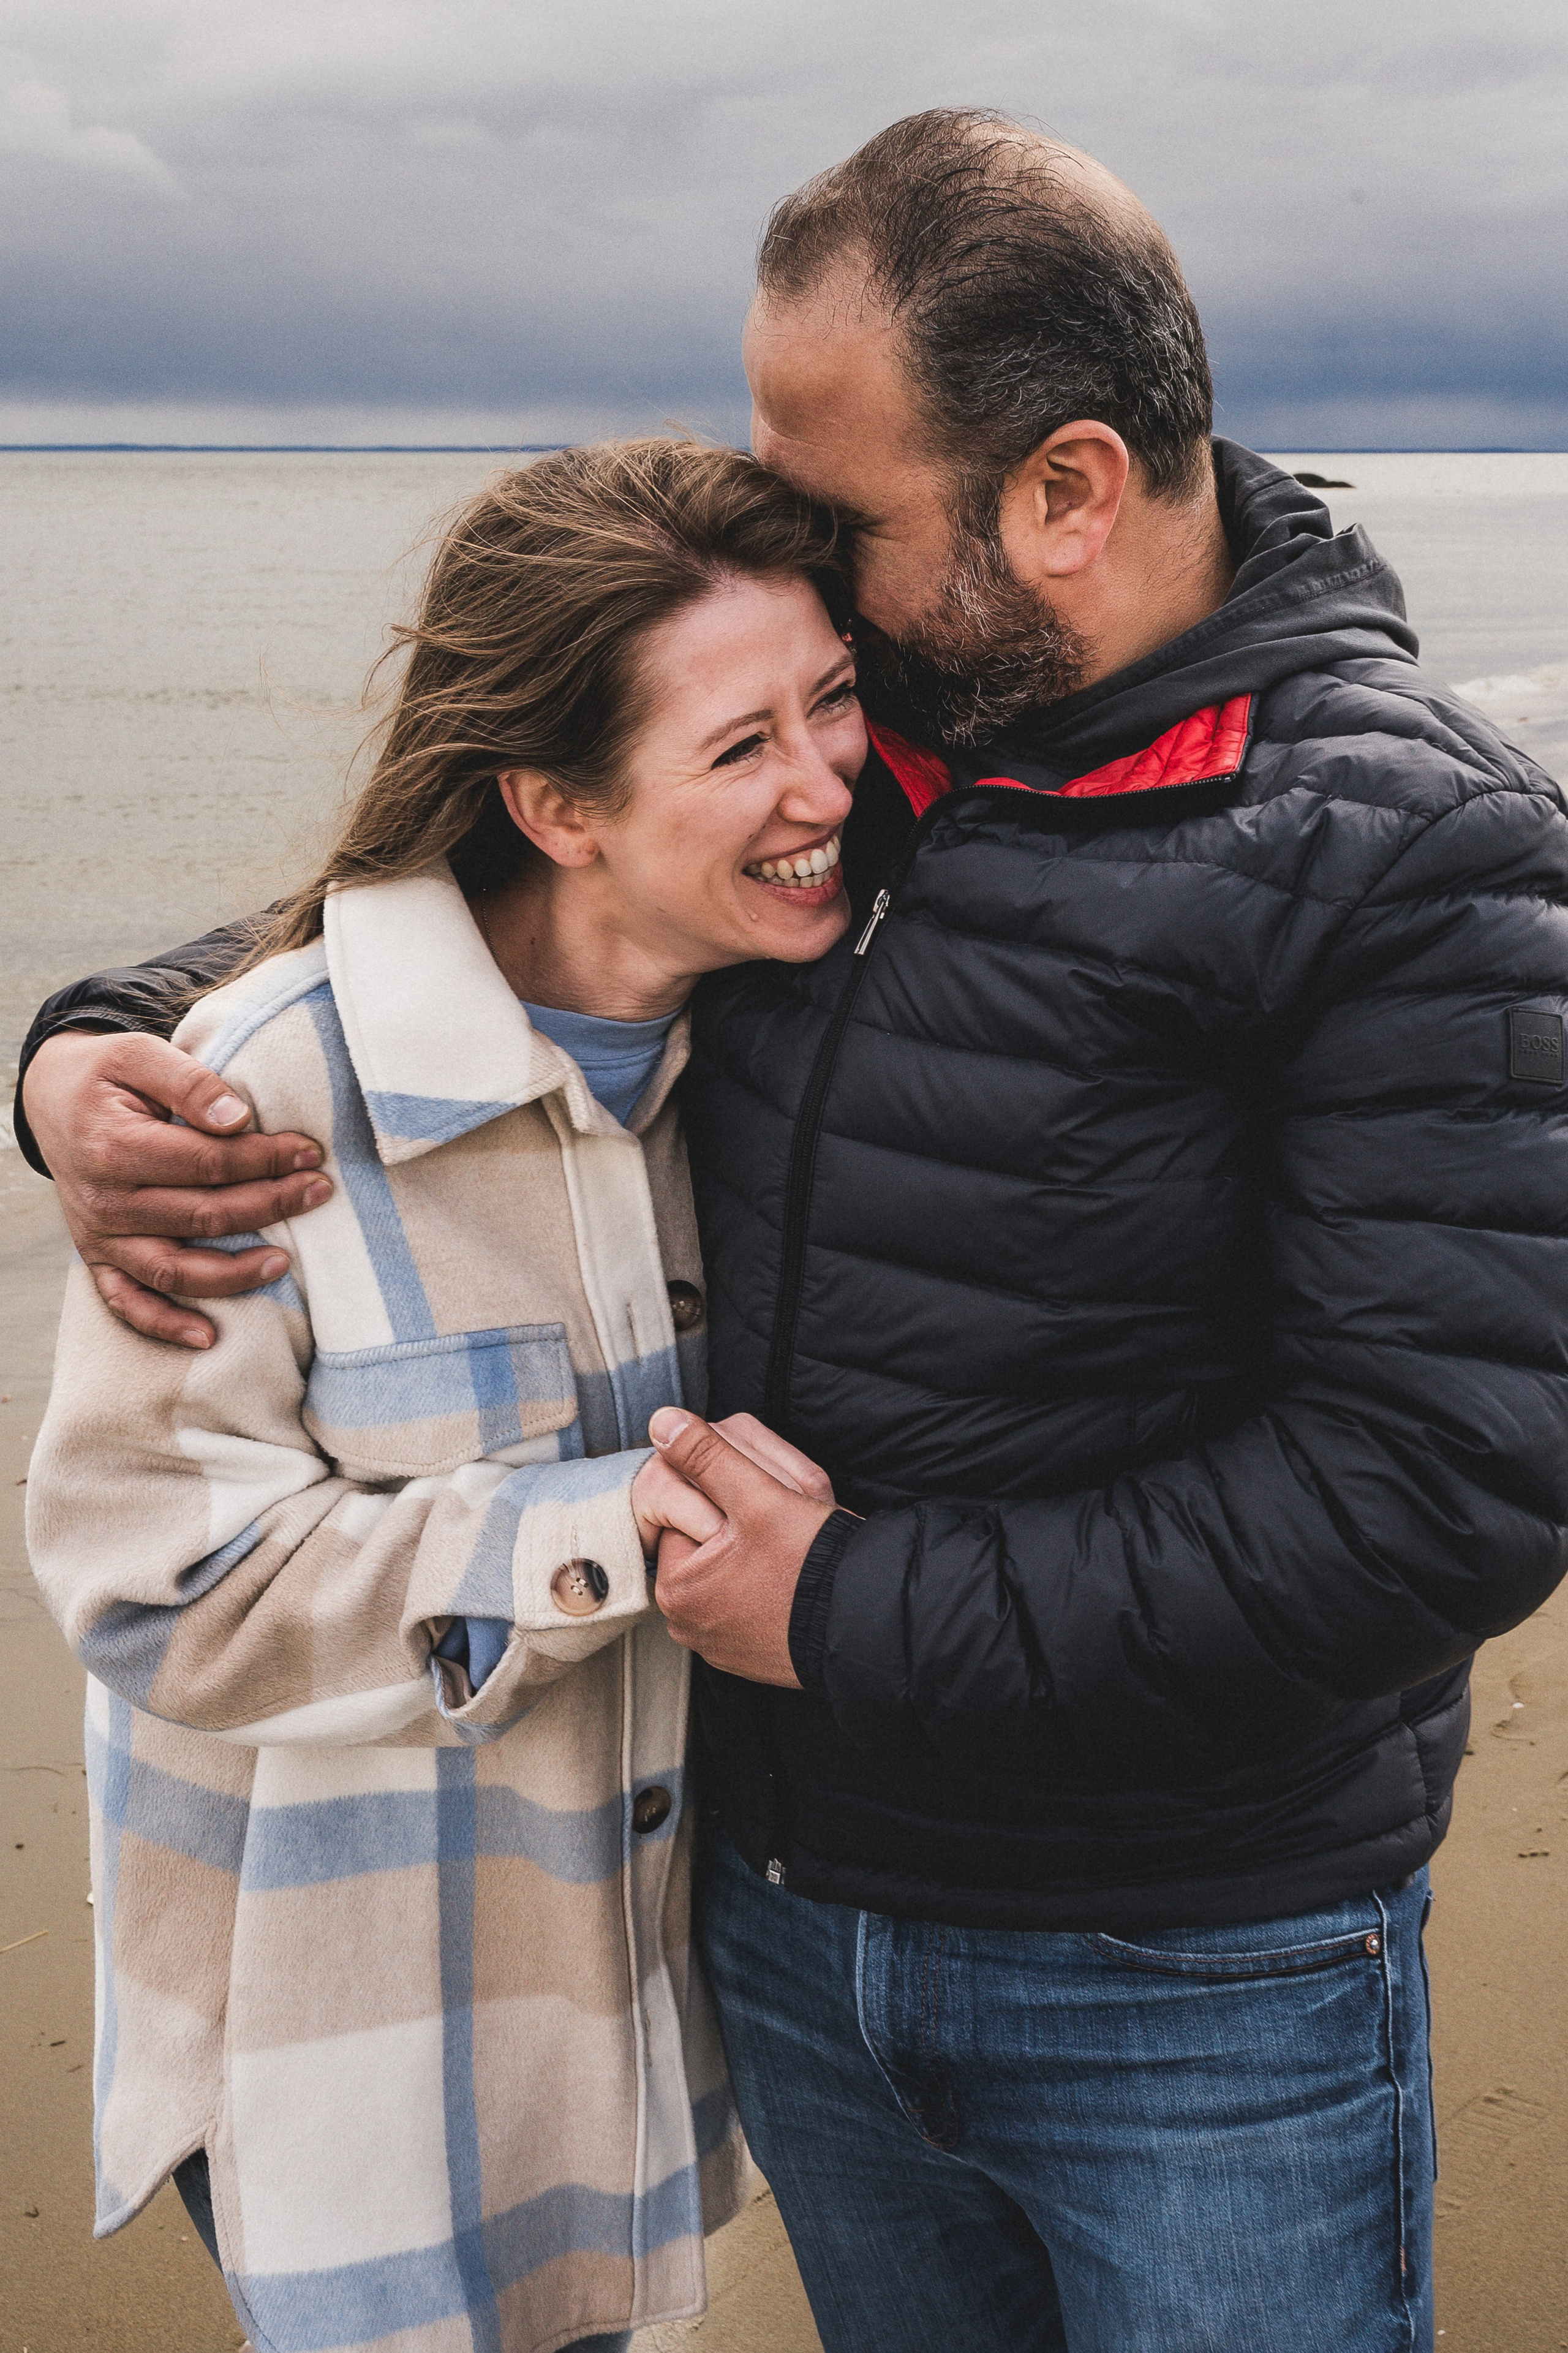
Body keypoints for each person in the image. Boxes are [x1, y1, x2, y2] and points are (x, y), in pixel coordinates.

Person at [17, 108, 1568, 2353]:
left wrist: (845, 1597)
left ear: (1065, 491)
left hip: (1195, 1972)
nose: (803, 586)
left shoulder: (1416, 852)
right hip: (785, 1927)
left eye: (835, 514)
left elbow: (1441, 1484)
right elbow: (518, 893)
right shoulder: (884, 739)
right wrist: (89, 1054)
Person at [23, 436, 864, 2353]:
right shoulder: (252, 1102)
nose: (828, 784)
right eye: (742, 747)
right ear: (555, 802)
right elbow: (153, 1581)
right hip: (355, 2068)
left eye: (834, 700)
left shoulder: (757, 1055)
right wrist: (609, 1538)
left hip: (637, 2046)